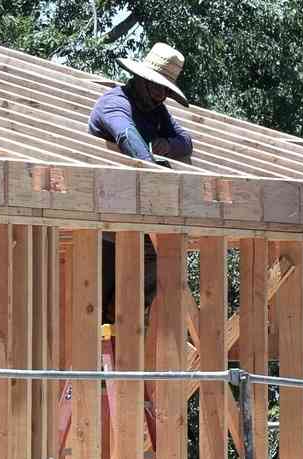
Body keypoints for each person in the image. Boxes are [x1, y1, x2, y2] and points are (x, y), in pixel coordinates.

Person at [88, 42, 194, 322]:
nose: (161, 97)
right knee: (96, 305)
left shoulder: (157, 111)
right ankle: (110, 328)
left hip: (133, 216)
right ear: (141, 80)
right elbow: (127, 136)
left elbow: (185, 141)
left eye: (166, 92)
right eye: (157, 88)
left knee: (158, 262)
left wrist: (164, 145)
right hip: (102, 217)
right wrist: (150, 164)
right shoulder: (115, 103)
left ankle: (125, 323)